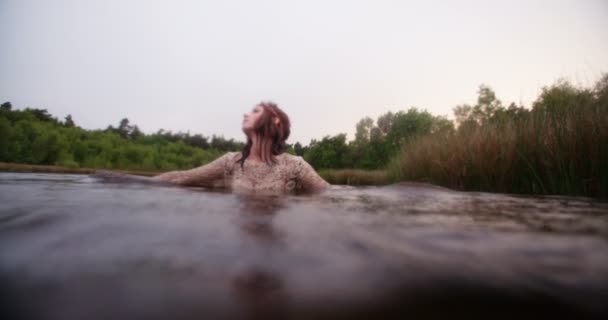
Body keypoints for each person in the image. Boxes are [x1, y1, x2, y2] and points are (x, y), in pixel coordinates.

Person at [152, 102, 330, 193]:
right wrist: (131, 181)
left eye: (255, 111)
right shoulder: (231, 162)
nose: (246, 113)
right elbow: (181, 178)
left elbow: (329, 194)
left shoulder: (294, 166)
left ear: (275, 120)